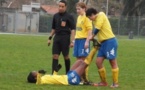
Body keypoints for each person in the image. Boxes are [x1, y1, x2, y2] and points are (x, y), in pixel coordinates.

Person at [27, 39, 100, 85]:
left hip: (67, 76)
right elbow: (39, 80)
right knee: (84, 64)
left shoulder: (44, 78)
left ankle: (84, 80)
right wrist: (39, 72)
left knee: (80, 61)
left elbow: (53, 78)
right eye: (35, 72)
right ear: (35, 78)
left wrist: (56, 70)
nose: (36, 71)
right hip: (69, 80)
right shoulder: (39, 81)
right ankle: (95, 48)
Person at [86, 8, 119, 88]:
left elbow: (97, 29)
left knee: (112, 61)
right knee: (98, 62)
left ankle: (115, 83)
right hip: (103, 43)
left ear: (93, 14)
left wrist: (92, 37)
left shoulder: (101, 15)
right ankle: (103, 82)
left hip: (110, 41)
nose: (90, 19)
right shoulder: (94, 20)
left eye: (90, 17)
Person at [47, 0, 76, 74]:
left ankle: (67, 73)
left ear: (65, 7)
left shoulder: (69, 16)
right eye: (59, 6)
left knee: (66, 56)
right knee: (55, 56)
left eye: (62, 6)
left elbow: (73, 30)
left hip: (65, 38)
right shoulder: (55, 16)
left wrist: (72, 41)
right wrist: (50, 38)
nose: (60, 8)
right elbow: (53, 28)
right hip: (57, 38)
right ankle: (53, 74)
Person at [73, 2, 92, 83]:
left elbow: (90, 30)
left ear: (84, 9)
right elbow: (78, 30)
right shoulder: (79, 17)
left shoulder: (86, 18)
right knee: (78, 60)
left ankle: (85, 79)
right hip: (77, 40)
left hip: (83, 40)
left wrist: (87, 41)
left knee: (83, 61)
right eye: (76, 9)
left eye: (79, 9)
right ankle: (79, 77)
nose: (77, 11)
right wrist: (74, 40)